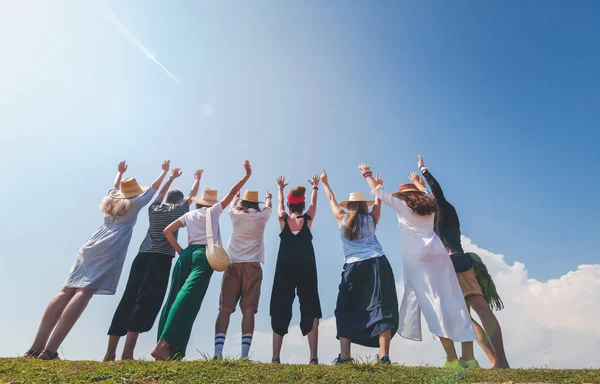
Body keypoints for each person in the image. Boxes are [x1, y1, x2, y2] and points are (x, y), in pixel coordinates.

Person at [25, 160, 170, 360]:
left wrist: (119, 173)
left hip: (91, 243)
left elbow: (113, 186)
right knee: (84, 292)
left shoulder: (111, 199)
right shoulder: (135, 203)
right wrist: (164, 173)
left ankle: (35, 348)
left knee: (66, 290)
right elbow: (153, 189)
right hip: (110, 246)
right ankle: (50, 350)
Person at [359, 163, 475, 369]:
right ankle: (470, 359)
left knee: (432, 304)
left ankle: (452, 359)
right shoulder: (430, 203)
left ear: (403, 197)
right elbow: (426, 193)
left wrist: (367, 174)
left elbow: (378, 191)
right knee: (453, 299)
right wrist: (418, 183)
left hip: (417, 258)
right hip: (439, 254)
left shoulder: (402, 206)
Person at [410, 154, 509, 369]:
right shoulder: (436, 219)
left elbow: (437, 194)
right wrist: (420, 188)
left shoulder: (443, 210)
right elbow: (430, 199)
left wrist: (424, 170)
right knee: (468, 317)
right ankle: (492, 360)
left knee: (479, 311)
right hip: (454, 264)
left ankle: (499, 361)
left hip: (454, 264)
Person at [151, 161, 252, 360]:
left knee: (173, 297)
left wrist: (181, 251)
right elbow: (232, 193)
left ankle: (174, 350)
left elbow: (167, 231)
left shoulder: (190, 214)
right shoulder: (213, 211)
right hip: (203, 256)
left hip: (186, 254)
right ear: (211, 202)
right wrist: (246, 176)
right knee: (189, 298)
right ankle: (165, 345)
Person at [103, 167, 203, 361]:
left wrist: (171, 178)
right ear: (180, 201)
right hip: (161, 258)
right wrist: (197, 178)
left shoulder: (153, 208)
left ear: (167, 199)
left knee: (128, 298)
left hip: (142, 256)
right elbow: (193, 195)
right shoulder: (180, 210)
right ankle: (127, 353)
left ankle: (110, 353)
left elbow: (159, 195)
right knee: (146, 301)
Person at [321, 169, 399, 365]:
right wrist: (377, 187)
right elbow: (379, 200)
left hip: (353, 267)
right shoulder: (372, 218)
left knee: (345, 307)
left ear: (349, 205)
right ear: (364, 205)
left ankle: (345, 357)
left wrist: (324, 182)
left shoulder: (342, 217)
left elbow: (331, 198)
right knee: (381, 306)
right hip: (377, 263)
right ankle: (384, 356)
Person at [213, 189, 272, 360]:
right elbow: (268, 206)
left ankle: (218, 351)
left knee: (225, 307)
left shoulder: (235, 214)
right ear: (257, 203)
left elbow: (232, 204)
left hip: (233, 265)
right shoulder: (263, 216)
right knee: (248, 309)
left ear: (243, 203)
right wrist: (268, 197)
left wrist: (237, 197)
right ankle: (244, 355)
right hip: (252, 266)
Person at [270, 174, 321, 365]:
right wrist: (315, 187)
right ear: (302, 205)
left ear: (290, 205)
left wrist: (280, 189)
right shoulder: (308, 218)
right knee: (310, 306)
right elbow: (314, 204)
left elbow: (280, 203)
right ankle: (313, 357)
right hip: (307, 267)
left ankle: (275, 357)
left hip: (285, 268)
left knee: (279, 305)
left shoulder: (282, 218)